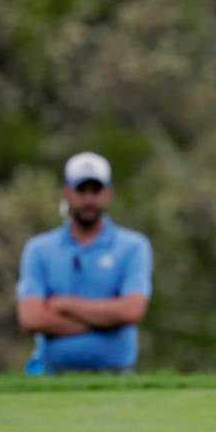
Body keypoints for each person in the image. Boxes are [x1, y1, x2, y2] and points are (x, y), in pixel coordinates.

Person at [17, 152, 152, 375]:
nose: (89, 199)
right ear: (67, 193)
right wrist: (107, 323)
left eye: (96, 190)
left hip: (116, 373)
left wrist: (63, 305)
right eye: (81, 190)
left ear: (108, 194)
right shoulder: (38, 248)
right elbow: (30, 318)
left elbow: (131, 311)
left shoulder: (134, 246)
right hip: (50, 373)